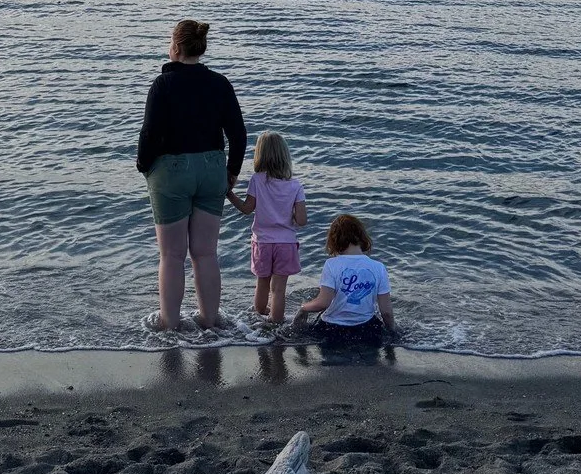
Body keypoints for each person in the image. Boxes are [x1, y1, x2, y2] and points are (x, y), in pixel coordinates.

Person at [137, 18, 246, 332]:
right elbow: (238, 135)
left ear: (175, 46)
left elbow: (149, 134)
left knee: (172, 255)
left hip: (172, 171)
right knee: (206, 252)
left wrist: (144, 166)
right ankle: (209, 321)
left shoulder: (163, 85)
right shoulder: (220, 83)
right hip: (212, 168)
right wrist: (232, 172)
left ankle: (170, 325)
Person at [227, 131, 306, 324]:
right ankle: (276, 326)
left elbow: (247, 209)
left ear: (260, 155)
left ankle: (259, 318)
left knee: (262, 283)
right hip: (286, 243)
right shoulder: (295, 186)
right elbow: (302, 220)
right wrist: (290, 214)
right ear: (285, 156)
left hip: (262, 242)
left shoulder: (257, 180)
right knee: (278, 289)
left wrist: (229, 194)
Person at [292, 213, 395, 345]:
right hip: (366, 328)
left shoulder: (331, 264)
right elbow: (386, 312)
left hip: (332, 328)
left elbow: (323, 303)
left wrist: (303, 308)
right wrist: (393, 332)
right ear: (362, 236)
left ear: (334, 240)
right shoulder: (379, 267)